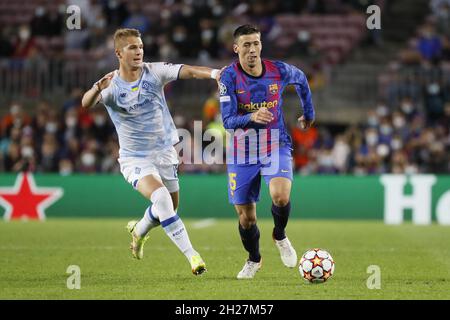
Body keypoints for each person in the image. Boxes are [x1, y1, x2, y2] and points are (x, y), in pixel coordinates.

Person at [81, 28, 221, 275]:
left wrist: (214, 73)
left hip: (164, 153)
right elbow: (86, 103)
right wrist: (95, 88)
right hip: (135, 158)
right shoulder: (111, 85)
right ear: (118, 53)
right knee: (162, 199)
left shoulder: (153, 72)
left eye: (141, 47)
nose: (139, 52)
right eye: (133, 48)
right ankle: (193, 256)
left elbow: (186, 70)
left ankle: (139, 230)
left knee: (169, 208)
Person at [219, 25, 315, 279]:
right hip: (243, 152)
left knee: (280, 196)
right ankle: (254, 259)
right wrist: (251, 116)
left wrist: (309, 113)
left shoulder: (278, 70)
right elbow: (227, 121)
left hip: (276, 143)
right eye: (247, 45)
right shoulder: (228, 78)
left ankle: (280, 235)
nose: (252, 50)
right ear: (236, 48)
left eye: (256, 44)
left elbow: (302, 79)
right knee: (246, 218)